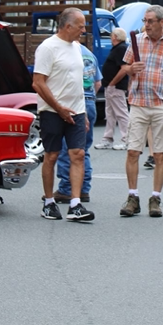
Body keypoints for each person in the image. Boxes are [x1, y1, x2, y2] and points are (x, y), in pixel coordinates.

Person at [119, 5, 163, 218]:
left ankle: (155, 198)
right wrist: (131, 69)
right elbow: (124, 68)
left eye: (150, 21)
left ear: (161, 22)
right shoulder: (136, 40)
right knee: (133, 150)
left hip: (162, 104)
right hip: (139, 102)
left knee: (160, 154)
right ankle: (133, 197)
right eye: (144, 21)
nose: (146, 25)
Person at [31, 7, 95, 222]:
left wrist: (82, 113)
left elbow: (76, 81)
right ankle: (49, 202)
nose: (83, 30)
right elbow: (38, 83)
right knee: (52, 155)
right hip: (52, 111)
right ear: (68, 26)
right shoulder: (48, 48)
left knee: (77, 154)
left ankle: (75, 204)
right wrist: (59, 108)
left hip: (76, 110)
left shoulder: (76, 47)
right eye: (80, 26)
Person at [54, 43, 101, 204]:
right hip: (91, 101)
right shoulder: (90, 54)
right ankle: (84, 188)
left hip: (75, 102)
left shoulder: (68, 54)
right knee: (83, 149)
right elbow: (98, 82)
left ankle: (67, 188)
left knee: (68, 148)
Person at [95, 28, 129, 151]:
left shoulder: (120, 48)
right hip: (111, 85)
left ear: (115, 37)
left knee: (120, 112)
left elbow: (124, 68)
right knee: (110, 113)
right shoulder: (119, 48)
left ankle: (126, 139)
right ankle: (107, 138)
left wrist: (112, 83)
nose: (110, 37)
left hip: (115, 86)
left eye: (111, 35)